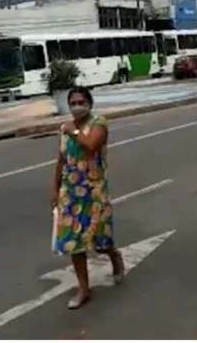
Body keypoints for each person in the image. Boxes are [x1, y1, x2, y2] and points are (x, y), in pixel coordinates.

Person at [51, 86, 123, 309]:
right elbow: (61, 159)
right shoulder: (65, 130)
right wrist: (55, 188)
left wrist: (73, 131)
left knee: (100, 242)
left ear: (89, 103)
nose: (76, 106)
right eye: (72, 103)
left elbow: (91, 145)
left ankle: (114, 256)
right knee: (74, 244)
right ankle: (84, 288)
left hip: (94, 192)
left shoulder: (99, 123)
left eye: (81, 102)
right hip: (70, 194)